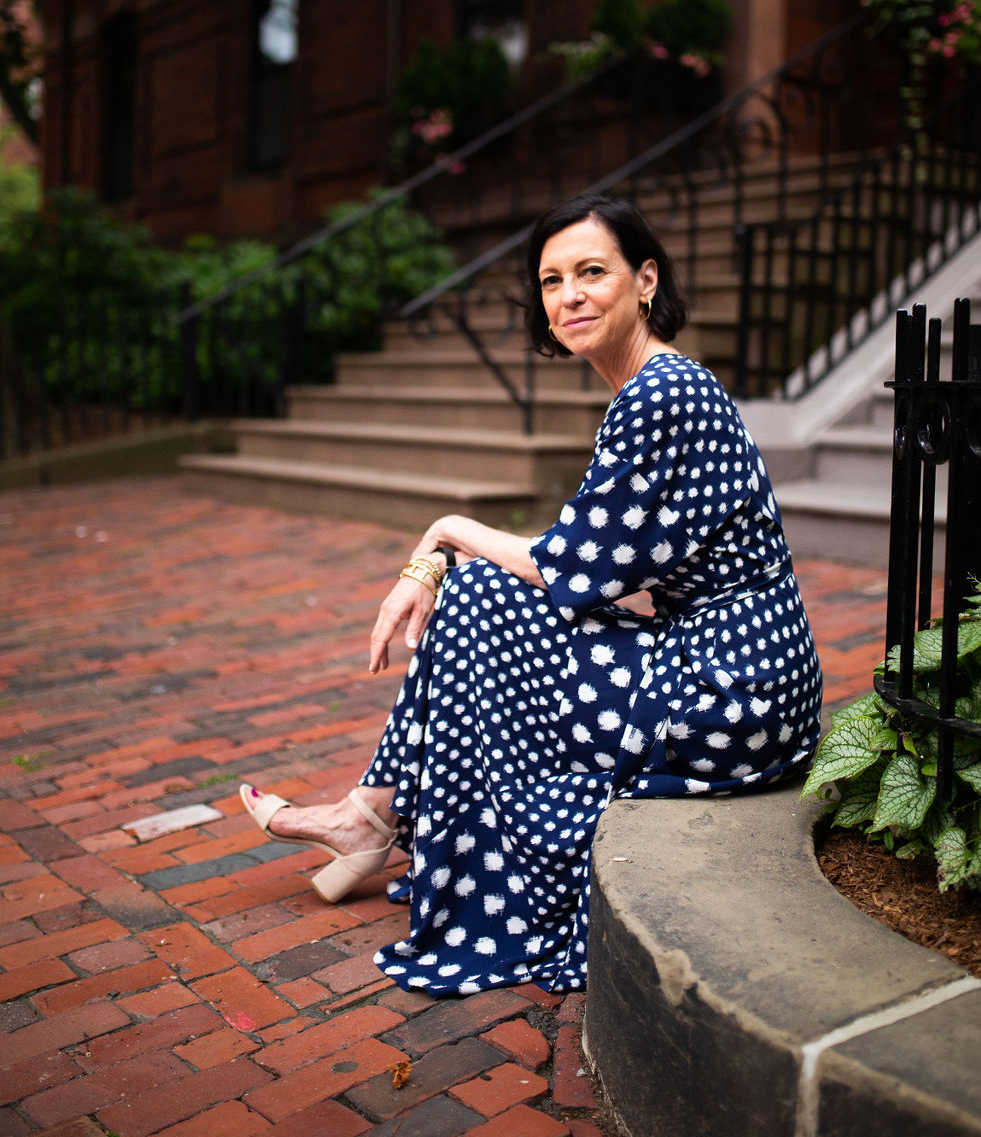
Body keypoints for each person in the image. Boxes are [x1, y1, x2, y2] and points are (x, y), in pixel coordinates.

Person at [240, 195, 823, 996]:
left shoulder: (662, 394)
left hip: (732, 694)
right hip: (736, 669)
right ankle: (368, 816)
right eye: (552, 281)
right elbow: (588, 558)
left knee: (479, 589)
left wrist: (441, 536)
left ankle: (368, 818)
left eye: (592, 272)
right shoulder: (652, 388)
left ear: (644, 279)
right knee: (482, 590)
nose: (569, 296)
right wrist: (445, 554)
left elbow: (572, 569)